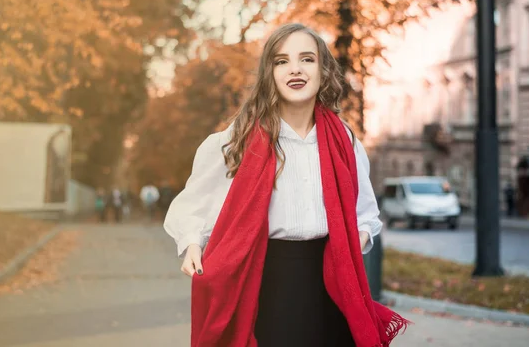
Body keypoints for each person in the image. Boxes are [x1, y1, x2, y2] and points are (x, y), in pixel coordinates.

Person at [164, 23, 409, 347]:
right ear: (270, 73)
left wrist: (350, 243)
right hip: (266, 280)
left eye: (306, 59)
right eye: (282, 61)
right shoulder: (240, 138)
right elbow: (195, 200)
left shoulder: (343, 141)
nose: (295, 69)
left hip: (330, 280)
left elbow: (364, 213)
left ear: (323, 70)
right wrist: (193, 242)